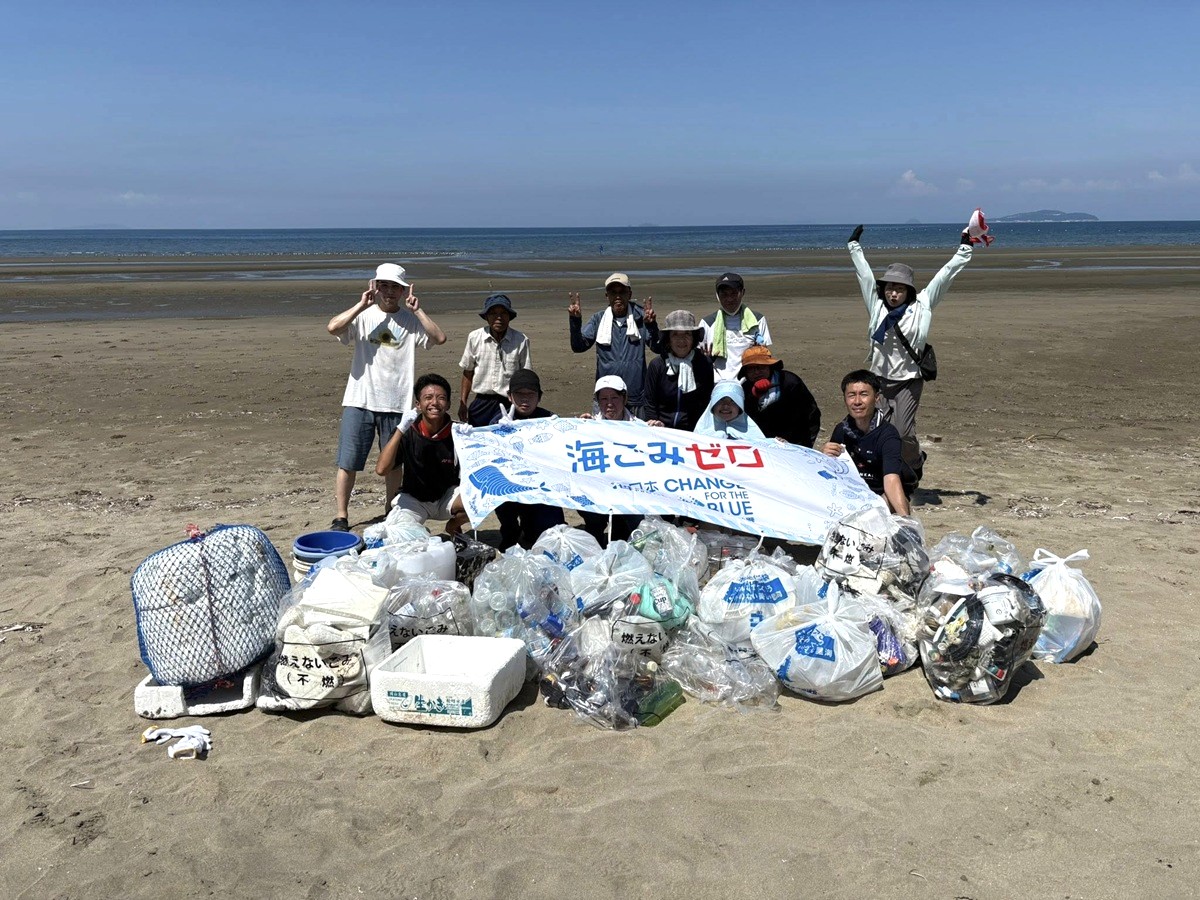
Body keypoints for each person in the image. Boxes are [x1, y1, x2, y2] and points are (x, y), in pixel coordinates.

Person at [847, 222, 973, 481]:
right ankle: (883, 475)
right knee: (877, 428)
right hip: (878, 379)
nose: (893, 293)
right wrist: (854, 247)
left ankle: (914, 463)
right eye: (890, 288)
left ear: (909, 291)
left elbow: (946, 275)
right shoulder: (877, 306)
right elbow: (865, 276)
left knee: (903, 431)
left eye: (900, 288)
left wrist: (965, 247)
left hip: (908, 381)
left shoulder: (924, 304)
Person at [326, 263, 446, 531]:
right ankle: (341, 516)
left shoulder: (411, 321)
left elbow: (439, 338)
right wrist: (360, 305)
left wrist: (418, 310)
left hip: (398, 403)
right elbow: (333, 327)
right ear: (376, 286)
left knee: (393, 465)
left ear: (404, 291)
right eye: (385, 285)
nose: (389, 291)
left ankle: (391, 509)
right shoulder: (364, 316)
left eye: (395, 287)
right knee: (348, 462)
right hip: (360, 400)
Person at [375, 373, 469, 535]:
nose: (434, 403)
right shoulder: (407, 431)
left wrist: (473, 438)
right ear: (418, 404)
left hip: (447, 497)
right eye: (428, 398)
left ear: (447, 404)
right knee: (397, 534)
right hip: (414, 499)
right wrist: (400, 429)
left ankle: (452, 526)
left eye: (441, 398)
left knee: (480, 502)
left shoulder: (458, 431)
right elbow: (382, 469)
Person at [577, 375, 660, 546]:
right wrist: (577, 430)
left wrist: (660, 434)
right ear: (597, 402)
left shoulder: (640, 427)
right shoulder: (589, 426)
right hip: (599, 491)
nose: (609, 403)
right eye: (604, 399)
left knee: (639, 529)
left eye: (614, 397)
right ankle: (595, 538)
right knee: (592, 518)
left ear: (625, 398)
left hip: (630, 493)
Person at [488, 369, 566, 550]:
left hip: (542, 487)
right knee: (501, 498)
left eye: (531, 394)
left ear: (539, 397)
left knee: (547, 534)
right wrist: (498, 434)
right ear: (509, 396)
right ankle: (510, 531)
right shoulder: (500, 421)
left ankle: (532, 531)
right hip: (512, 485)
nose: (525, 399)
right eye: (519, 394)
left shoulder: (549, 419)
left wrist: (562, 429)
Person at [822, 370, 911, 516]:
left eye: (864, 394)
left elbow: (891, 480)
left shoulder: (888, 435)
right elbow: (830, 474)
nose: (857, 402)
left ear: (876, 397)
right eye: (851, 395)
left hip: (878, 497)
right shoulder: (841, 430)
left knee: (878, 511)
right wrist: (823, 457)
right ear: (845, 399)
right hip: (848, 495)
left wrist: (907, 522)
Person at [568, 273, 659, 413]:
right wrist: (575, 321)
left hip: (636, 398)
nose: (618, 296)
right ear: (607, 296)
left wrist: (652, 326)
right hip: (606, 396)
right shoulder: (598, 320)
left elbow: (657, 347)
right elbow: (579, 346)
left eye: (622, 291)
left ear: (629, 294)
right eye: (613, 292)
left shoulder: (642, 317)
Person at [458, 293, 531, 426]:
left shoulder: (521, 340)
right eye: (493, 313)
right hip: (481, 403)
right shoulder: (475, 337)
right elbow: (468, 372)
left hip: (509, 403)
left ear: (510, 317)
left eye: (503, 313)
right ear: (486, 317)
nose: (499, 318)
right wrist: (463, 402)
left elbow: (525, 377)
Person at [736, 345, 821, 448]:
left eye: (761, 367)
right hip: (762, 442)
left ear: (770, 367)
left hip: (794, 439)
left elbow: (810, 415)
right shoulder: (745, 389)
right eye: (751, 369)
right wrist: (753, 396)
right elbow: (745, 420)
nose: (757, 372)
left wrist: (796, 444)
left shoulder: (790, 382)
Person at [644, 309, 715, 431]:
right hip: (662, 429)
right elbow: (650, 401)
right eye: (675, 334)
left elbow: (707, 400)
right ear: (668, 338)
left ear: (694, 338)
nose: (681, 340)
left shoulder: (704, 363)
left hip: (694, 431)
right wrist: (654, 425)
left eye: (687, 334)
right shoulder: (657, 365)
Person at [701, 272, 772, 382]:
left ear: (742, 292)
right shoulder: (707, 323)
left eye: (734, 293)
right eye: (724, 294)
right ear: (717, 295)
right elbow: (698, 359)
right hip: (718, 384)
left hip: (749, 382)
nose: (729, 299)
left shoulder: (757, 320)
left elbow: (765, 356)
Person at [694, 381, 767, 441]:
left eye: (733, 401)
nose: (726, 406)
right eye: (720, 400)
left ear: (740, 406)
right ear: (712, 404)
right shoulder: (699, 435)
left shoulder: (754, 434)